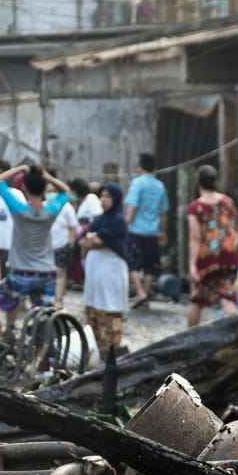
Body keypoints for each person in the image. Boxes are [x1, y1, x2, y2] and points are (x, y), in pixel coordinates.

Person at [0, 163, 71, 336]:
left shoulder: (19, 209)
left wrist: (21, 168)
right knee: (43, 318)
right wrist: (47, 176)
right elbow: (65, 191)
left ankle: (1, 342)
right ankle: (41, 349)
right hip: (46, 274)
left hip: (20, 274)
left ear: (23, 187)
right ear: (45, 188)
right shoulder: (51, 211)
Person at [186, 164, 238, 327]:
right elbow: (234, 227)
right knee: (227, 297)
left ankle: (190, 335)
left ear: (198, 183)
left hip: (207, 258)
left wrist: (192, 265)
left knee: (197, 298)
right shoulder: (227, 202)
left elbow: (195, 238)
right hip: (229, 256)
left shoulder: (195, 208)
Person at [79, 182, 129, 356]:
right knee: (94, 306)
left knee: (109, 305)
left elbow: (100, 240)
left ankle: (110, 348)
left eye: (108, 196)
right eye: (102, 196)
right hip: (95, 272)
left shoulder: (118, 221)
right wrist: (92, 237)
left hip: (111, 270)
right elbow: (83, 239)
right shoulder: (100, 220)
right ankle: (95, 345)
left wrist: (93, 238)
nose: (103, 200)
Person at [125, 152, 168, 307]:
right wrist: (162, 232)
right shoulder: (160, 186)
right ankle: (145, 293)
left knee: (133, 263)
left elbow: (133, 207)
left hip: (136, 231)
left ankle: (140, 292)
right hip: (153, 232)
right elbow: (163, 213)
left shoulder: (137, 183)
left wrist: (126, 223)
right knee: (151, 265)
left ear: (140, 166)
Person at [49, 187, 79, 308]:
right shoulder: (44, 206)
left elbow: (73, 227)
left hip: (62, 245)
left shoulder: (66, 207)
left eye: (53, 191)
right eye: (48, 192)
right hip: (47, 246)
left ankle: (58, 300)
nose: (50, 194)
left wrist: (70, 244)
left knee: (60, 272)